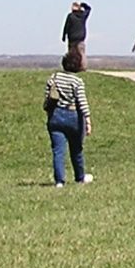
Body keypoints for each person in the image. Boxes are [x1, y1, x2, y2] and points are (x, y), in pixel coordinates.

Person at [43, 52, 93, 186]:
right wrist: (87, 120)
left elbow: (48, 99)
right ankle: (79, 177)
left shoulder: (53, 78)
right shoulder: (77, 81)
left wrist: (49, 115)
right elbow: (82, 102)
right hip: (73, 117)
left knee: (58, 151)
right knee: (76, 150)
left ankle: (59, 181)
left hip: (56, 116)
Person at [63, 1, 92, 67]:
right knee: (81, 53)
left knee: (71, 53)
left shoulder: (70, 16)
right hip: (81, 37)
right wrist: (83, 4)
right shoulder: (83, 15)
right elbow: (89, 9)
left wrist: (64, 36)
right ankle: (82, 67)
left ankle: (71, 66)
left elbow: (66, 26)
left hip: (72, 37)